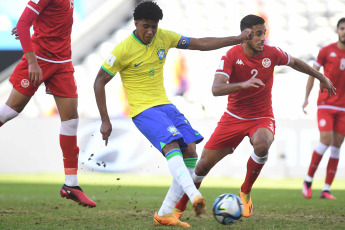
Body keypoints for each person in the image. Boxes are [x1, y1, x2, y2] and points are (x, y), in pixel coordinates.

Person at [93, 1, 253, 227]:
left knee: (190, 149)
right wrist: (105, 120)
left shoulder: (164, 37)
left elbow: (201, 43)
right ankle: (194, 195)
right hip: (143, 110)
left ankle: (165, 212)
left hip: (165, 106)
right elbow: (99, 82)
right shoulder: (122, 49)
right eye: (146, 26)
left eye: (154, 27)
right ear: (136, 23)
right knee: (172, 145)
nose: (150, 32)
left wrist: (236, 39)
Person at [173, 14, 336, 219]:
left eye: (264, 33)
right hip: (232, 117)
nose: (263, 38)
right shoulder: (231, 56)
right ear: (246, 35)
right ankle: (178, 209)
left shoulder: (272, 53)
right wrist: (241, 85)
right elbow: (216, 88)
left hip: (261, 117)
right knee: (202, 166)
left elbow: (294, 62)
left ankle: (245, 191)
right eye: (258, 34)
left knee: (262, 144)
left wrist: (321, 76)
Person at [0, 0, 96, 207]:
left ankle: (71, 184)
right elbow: (24, 22)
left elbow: (47, 21)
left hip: (62, 64)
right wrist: (32, 62)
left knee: (71, 121)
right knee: (9, 111)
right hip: (39, 60)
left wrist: (30, 28)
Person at [301, 18, 345, 200]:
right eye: (342, 28)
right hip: (326, 103)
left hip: (343, 107)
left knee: (337, 146)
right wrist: (306, 97)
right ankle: (308, 180)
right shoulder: (327, 51)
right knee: (326, 140)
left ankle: (326, 189)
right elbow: (313, 73)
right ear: (337, 30)